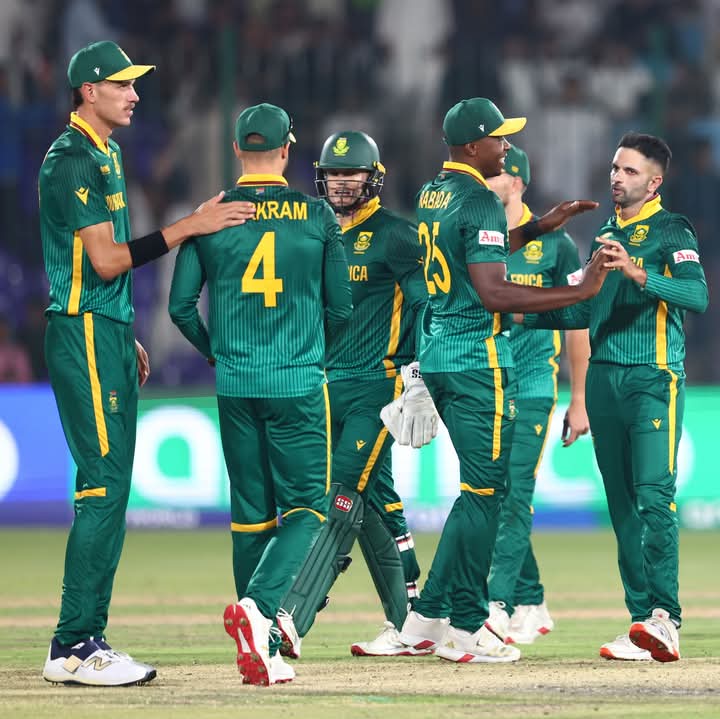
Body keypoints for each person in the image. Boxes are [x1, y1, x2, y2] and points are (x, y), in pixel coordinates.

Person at [39, 40, 255, 687]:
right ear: (89, 92)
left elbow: (97, 267)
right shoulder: (74, 158)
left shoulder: (104, 152)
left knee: (110, 488)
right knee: (102, 487)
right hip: (82, 331)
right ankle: (73, 645)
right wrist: (192, 224)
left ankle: (86, 638)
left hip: (102, 330)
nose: (135, 95)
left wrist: (123, 329)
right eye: (122, 84)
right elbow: (105, 262)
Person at [394, 97, 610, 663]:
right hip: (478, 361)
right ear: (473, 146)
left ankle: (425, 619)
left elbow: (471, 255)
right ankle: (468, 626)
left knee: (480, 491)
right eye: (499, 138)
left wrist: (539, 227)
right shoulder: (481, 201)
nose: (507, 146)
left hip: (441, 355)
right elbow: (493, 291)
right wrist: (581, 291)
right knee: (487, 494)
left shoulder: (434, 193)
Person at [168, 103, 353, 685]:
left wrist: (215, 352)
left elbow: (180, 307)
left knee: (251, 517)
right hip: (297, 382)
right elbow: (341, 308)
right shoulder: (317, 215)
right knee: (307, 510)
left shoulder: (210, 217)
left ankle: (261, 648)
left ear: (236, 150)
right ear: (287, 150)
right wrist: (310, 353)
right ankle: (258, 612)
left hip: (235, 385)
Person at [522, 132, 709, 662]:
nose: (617, 178)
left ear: (655, 182)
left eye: (629, 171)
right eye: (614, 168)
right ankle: (641, 622)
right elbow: (586, 309)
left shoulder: (672, 229)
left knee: (654, 496)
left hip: (653, 378)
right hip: (604, 379)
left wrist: (638, 272)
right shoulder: (604, 233)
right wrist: (516, 311)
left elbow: (697, 295)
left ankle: (666, 618)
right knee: (623, 505)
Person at [277, 130, 432, 659]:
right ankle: (412, 622)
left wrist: (418, 375)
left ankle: (292, 616)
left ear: (374, 178)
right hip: (321, 387)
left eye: (352, 173)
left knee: (341, 494)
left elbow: (424, 306)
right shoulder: (315, 233)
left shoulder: (397, 236)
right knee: (375, 504)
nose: (342, 182)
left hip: (377, 387)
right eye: (334, 173)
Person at [483, 144, 591, 644]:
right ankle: (532, 600)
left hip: (531, 384)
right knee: (493, 494)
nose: (487, 181)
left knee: (515, 493)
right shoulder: (477, 239)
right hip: (486, 382)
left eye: (496, 175)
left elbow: (577, 323)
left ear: (518, 182)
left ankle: (498, 606)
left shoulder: (556, 245)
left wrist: (579, 399)